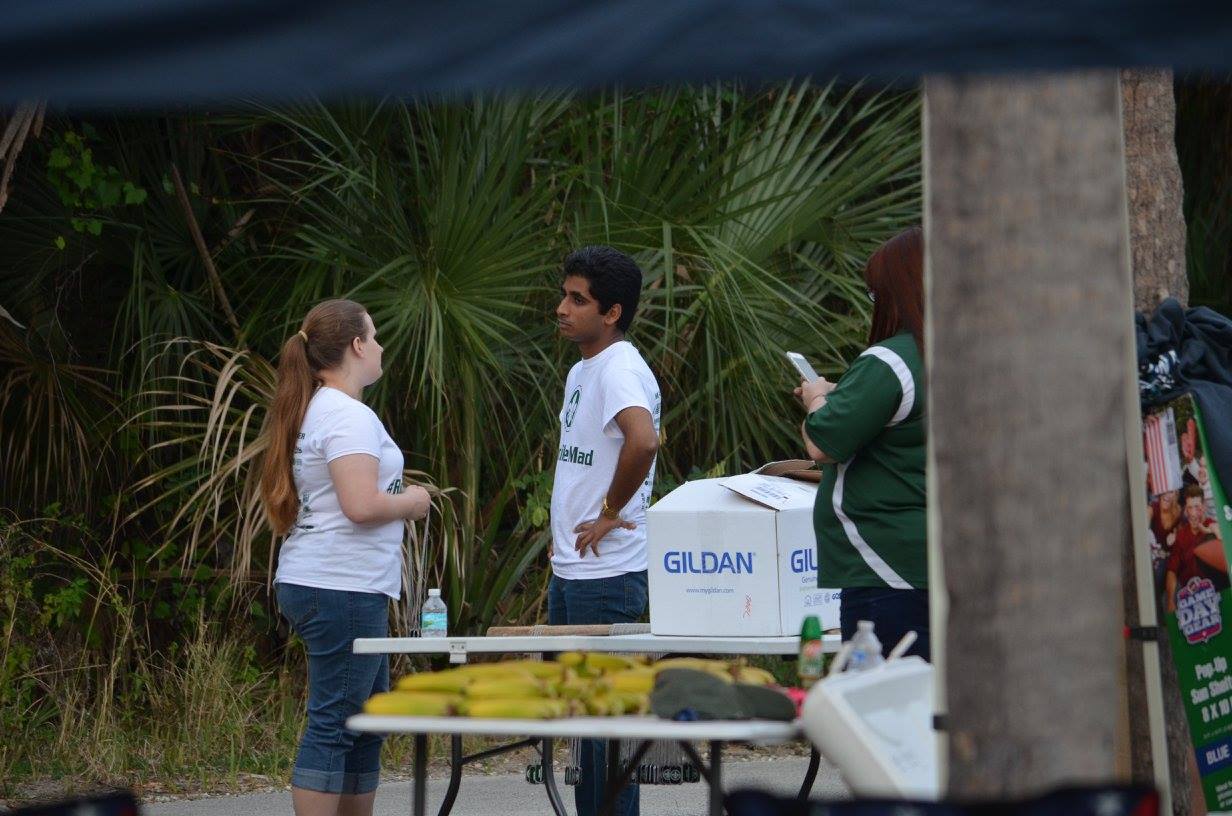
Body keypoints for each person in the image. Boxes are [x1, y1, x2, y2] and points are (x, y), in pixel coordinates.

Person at [259, 299, 431, 816]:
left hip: (334, 581)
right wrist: (413, 502)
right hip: (342, 585)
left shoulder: (319, 408)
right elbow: (360, 505)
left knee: (365, 722)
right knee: (336, 723)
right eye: (373, 337)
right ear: (357, 346)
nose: (379, 346)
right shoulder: (347, 415)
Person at [549, 245, 660, 816]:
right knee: (584, 732)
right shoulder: (583, 368)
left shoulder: (619, 367)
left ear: (612, 312)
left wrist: (613, 510)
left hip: (608, 574)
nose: (562, 308)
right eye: (564, 295)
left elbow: (643, 440)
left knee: (603, 737)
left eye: (578, 300)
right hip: (574, 570)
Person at [795, 226, 929, 661]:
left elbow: (823, 442)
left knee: (880, 695)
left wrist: (816, 397)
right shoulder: (963, 355)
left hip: (882, 565)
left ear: (897, 292)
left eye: (875, 293)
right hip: (938, 559)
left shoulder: (890, 360)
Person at [1165, 484, 1228, 612]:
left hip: (1214, 593)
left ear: (1204, 507)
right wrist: (1170, 601)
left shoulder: (1212, 527)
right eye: (1190, 508)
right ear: (1185, 510)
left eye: (1197, 507)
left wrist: (1214, 532)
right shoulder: (1181, 535)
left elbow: (1226, 554)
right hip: (1189, 596)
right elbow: (1172, 570)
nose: (1193, 513)